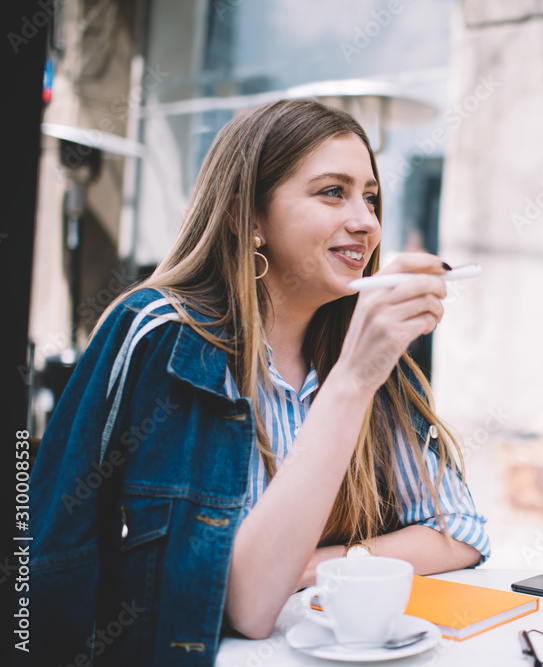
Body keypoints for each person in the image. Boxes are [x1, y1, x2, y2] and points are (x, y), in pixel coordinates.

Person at [26, 99, 490, 665]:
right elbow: (244, 603)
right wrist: (352, 381)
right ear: (248, 218)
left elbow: (461, 529)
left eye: (369, 196)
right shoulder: (162, 338)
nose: (366, 221)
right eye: (332, 192)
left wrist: (318, 564)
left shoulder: (360, 354)